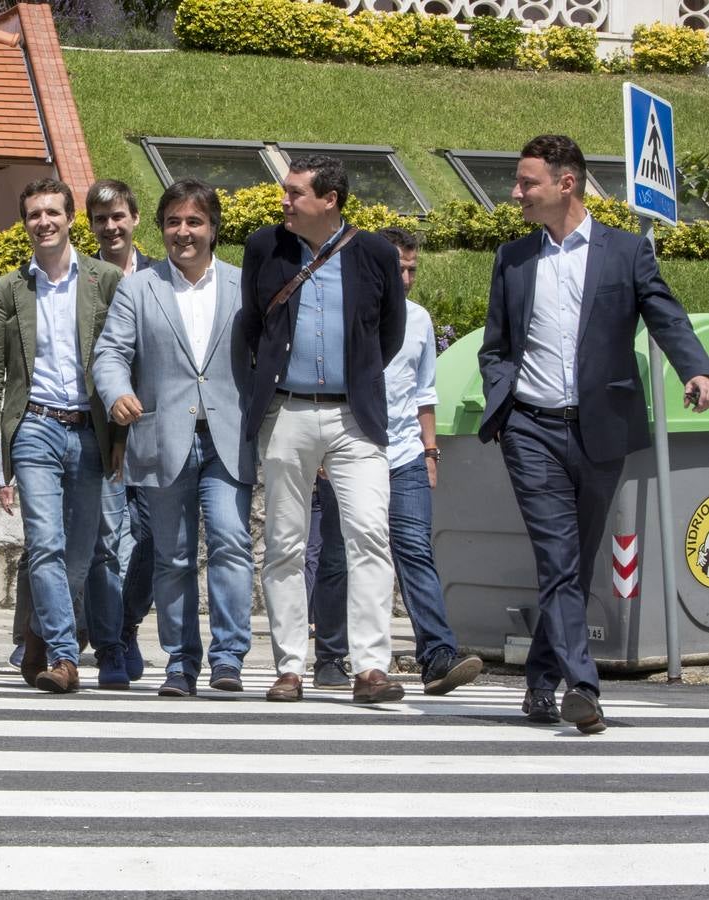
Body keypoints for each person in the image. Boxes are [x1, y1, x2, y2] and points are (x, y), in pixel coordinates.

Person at [478, 135, 709, 733]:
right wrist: (502, 399)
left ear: (566, 184)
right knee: (557, 558)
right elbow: (496, 344)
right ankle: (583, 686)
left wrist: (696, 367)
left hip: (600, 430)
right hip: (530, 427)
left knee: (575, 566)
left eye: (527, 182)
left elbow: (665, 311)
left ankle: (539, 679)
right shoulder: (513, 257)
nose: (517, 192)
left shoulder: (624, 252)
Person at [239, 154, 406, 705]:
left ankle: (371, 667)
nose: (283, 201)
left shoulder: (377, 253)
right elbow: (251, 325)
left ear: (329, 199)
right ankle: (289, 667)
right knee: (286, 543)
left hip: (353, 416)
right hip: (286, 413)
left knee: (367, 534)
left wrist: (352, 379)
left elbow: (390, 334)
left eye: (294, 193)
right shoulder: (265, 248)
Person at [94, 178, 256, 697]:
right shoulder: (139, 287)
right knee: (174, 556)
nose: (182, 232)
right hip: (163, 436)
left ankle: (229, 658)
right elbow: (110, 352)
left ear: (213, 229)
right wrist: (117, 392)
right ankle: (181, 662)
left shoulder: (242, 284)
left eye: (194, 222)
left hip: (228, 437)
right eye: (173, 222)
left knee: (231, 540)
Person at [307, 227, 483, 695]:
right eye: (398, 267)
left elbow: (425, 392)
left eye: (411, 268)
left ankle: (438, 656)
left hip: (404, 454)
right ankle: (330, 652)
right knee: (339, 555)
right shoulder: (344, 313)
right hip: (346, 450)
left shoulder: (421, 320)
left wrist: (429, 450)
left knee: (414, 550)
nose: (405, 277)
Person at [0, 177, 124, 694]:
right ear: (26, 221)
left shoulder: (104, 279)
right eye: (34, 214)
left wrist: (126, 435)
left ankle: (38, 635)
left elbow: (125, 357)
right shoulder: (10, 288)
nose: (44, 222)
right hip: (34, 425)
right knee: (45, 542)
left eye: (53, 212)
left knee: (80, 552)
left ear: (70, 218)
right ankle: (63, 655)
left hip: (89, 429)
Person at [87, 178, 156, 681]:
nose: (110, 227)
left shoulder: (161, 276)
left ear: (134, 219)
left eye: (118, 217)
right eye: (100, 219)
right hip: (99, 425)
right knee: (106, 541)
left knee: (154, 538)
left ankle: (127, 625)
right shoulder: (81, 279)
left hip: (155, 427)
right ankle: (110, 644)